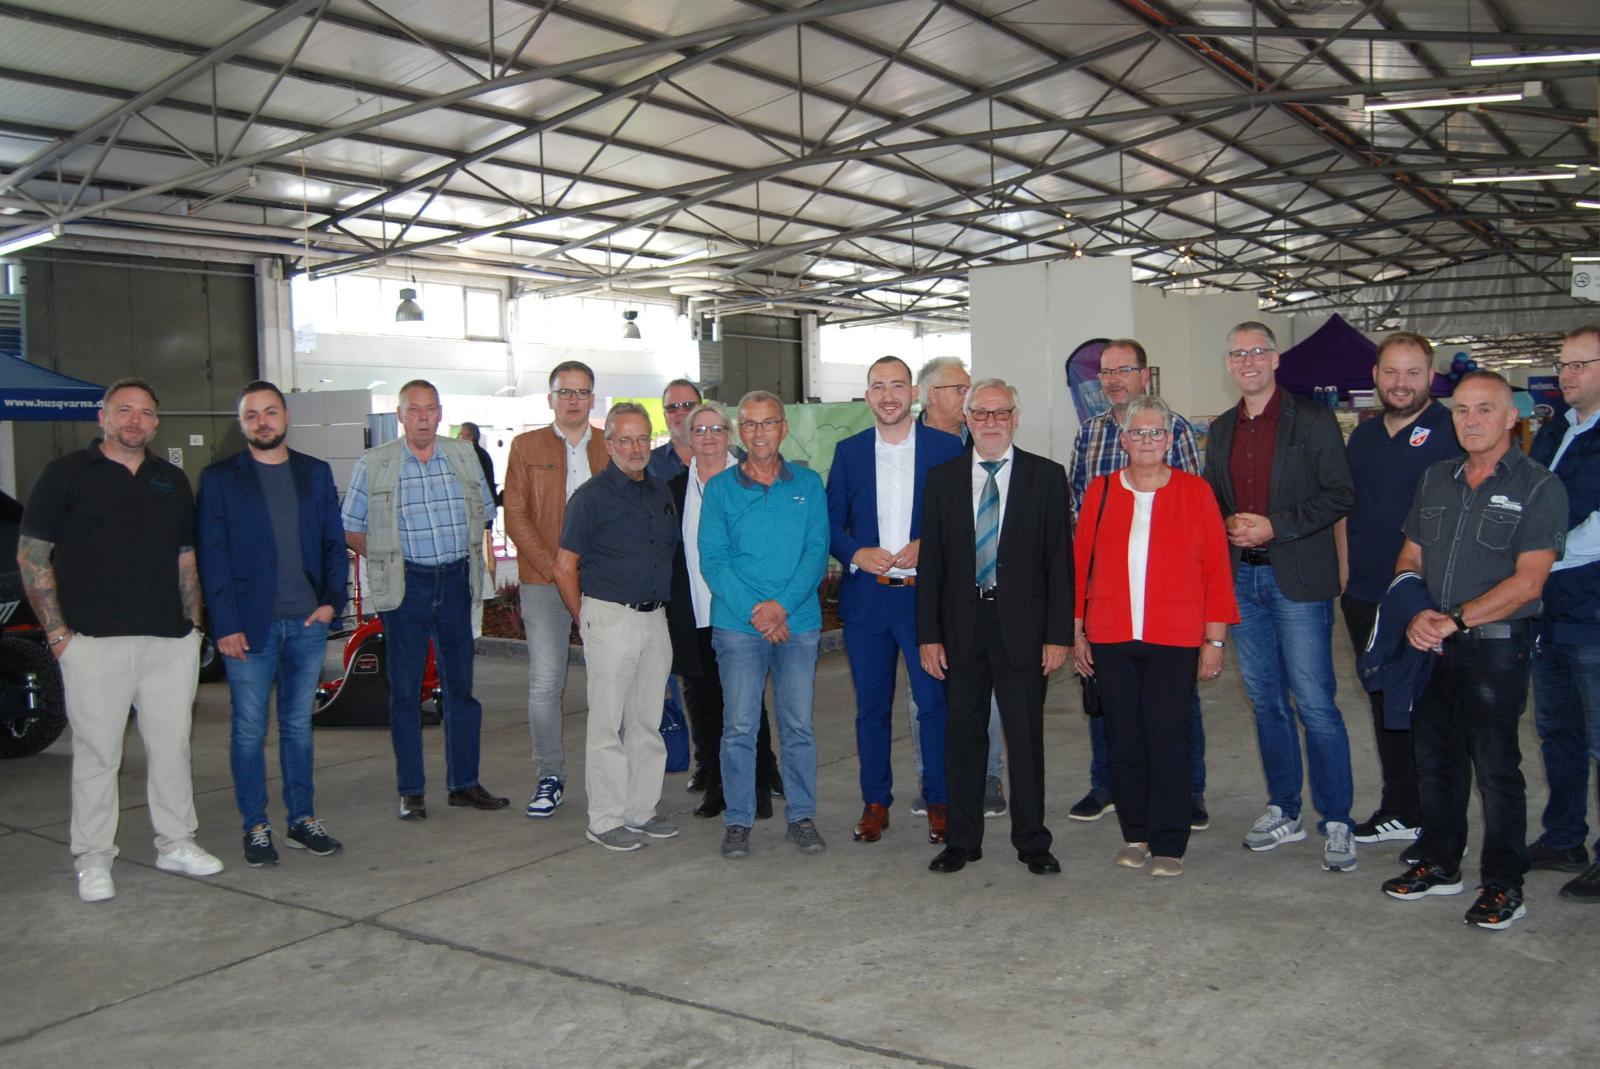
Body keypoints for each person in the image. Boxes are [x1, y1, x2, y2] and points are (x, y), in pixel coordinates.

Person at [18, 378, 223, 901]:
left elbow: (185, 557)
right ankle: (93, 859)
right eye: (125, 410)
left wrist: (193, 627)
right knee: (97, 755)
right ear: (103, 417)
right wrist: (58, 634)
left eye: (146, 413)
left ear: (156, 424)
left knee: (172, 748)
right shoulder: (65, 474)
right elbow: (32, 555)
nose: (135, 420)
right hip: (93, 643)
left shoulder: (170, 480)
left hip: (169, 643)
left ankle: (176, 842)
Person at [1380, 372, 1566, 931]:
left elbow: (1529, 583)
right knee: (1435, 762)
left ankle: (1504, 884)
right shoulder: (1436, 479)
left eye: (1485, 409)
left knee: (1496, 769)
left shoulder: (1539, 487)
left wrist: (1454, 619)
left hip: (1495, 650)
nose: (1471, 420)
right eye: (1461, 410)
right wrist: (1417, 612)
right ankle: (1440, 862)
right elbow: (1410, 557)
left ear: (1512, 417)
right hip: (1433, 646)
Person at [1202, 321, 1358, 872]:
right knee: (1266, 702)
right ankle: (1284, 809)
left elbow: (1340, 494)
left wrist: (1276, 526)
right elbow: (1213, 496)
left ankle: (1337, 819)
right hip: (1243, 582)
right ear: (1229, 365)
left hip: (1297, 579)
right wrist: (1227, 522)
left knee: (1314, 703)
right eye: (1238, 353)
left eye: (1257, 351)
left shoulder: (1312, 420)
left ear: (1275, 359)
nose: (1248, 361)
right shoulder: (1222, 428)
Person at [1072, 395, 1237, 878]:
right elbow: (1080, 565)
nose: (1147, 440)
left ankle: (1169, 841)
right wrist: (1077, 631)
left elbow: (1215, 570)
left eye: (1156, 432)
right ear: (1124, 441)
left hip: (1175, 637)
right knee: (1124, 739)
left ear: (1170, 440)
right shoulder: (1101, 491)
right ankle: (1135, 833)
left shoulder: (1196, 492)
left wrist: (1215, 641)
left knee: (1168, 739)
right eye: (1138, 432)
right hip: (1111, 634)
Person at [918, 379, 1071, 876]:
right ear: (966, 419)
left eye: (1000, 413)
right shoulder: (942, 480)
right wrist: (929, 635)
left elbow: (1059, 562)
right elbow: (932, 566)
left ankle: (1032, 841)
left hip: (1023, 629)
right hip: (961, 629)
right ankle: (962, 841)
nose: (990, 422)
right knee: (962, 738)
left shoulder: (1046, 477)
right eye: (981, 413)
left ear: (1015, 418)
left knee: (1024, 739)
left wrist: (1058, 635)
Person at [197, 381, 349, 866]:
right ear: (241, 424)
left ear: (286, 417)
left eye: (270, 412)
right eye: (252, 415)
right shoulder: (220, 479)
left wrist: (331, 603)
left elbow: (333, 542)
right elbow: (212, 558)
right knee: (248, 730)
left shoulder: (315, 473)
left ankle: (301, 820)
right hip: (248, 628)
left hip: (307, 623)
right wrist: (225, 624)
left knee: (298, 727)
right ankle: (256, 826)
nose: (262, 422)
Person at [342, 379, 506, 820]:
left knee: (461, 689)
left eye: (430, 409)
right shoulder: (374, 464)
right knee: (405, 691)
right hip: (406, 587)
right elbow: (351, 527)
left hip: (455, 582)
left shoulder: (463, 456)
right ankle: (411, 790)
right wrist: (387, 560)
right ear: (400, 415)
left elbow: (485, 513)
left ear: (440, 413)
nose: (423, 418)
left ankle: (464, 784)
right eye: (414, 410)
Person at [1067, 338, 1208, 828]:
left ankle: (1188, 791)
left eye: (1124, 370)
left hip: (1165, 595)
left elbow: (1193, 510)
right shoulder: (1090, 432)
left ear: (1145, 376)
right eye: (1106, 372)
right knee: (1105, 692)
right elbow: (1076, 505)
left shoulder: (1176, 429)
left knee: (1176, 701)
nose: (1113, 380)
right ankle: (1107, 784)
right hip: (1108, 593)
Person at [828, 356, 964, 845]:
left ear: (914, 394)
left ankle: (940, 801)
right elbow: (830, 524)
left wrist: (931, 544)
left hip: (925, 602)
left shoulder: (946, 448)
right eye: (879, 387)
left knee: (934, 706)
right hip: (868, 602)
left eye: (897, 385)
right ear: (868, 396)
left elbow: (963, 520)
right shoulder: (849, 453)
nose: (888, 395)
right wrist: (856, 553)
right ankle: (875, 802)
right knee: (872, 710)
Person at [1335, 332, 1460, 849]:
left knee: (1430, 710)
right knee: (1383, 701)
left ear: (1430, 376)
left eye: (1412, 372)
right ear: (1375, 376)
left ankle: (1438, 820)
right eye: (1391, 372)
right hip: (1366, 594)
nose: (1401, 383)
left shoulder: (1452, 432)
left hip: (1423, 599)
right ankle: (1401, 807)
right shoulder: (1364, 437)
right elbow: (1346, 508)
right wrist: (1345, 574)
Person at [698, 391, 830, 859]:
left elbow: (816, 552)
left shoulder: (809, 484)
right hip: (738, 627)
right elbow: (714, 560)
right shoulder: (720, 489)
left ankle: (802, 816)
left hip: (798, 624)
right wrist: (759, 611)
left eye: (768, 423)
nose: (759, 432)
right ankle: (738, 820)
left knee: (798, 726)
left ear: (783, 429)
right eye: (750, 424)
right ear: (740, 431)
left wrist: (782, 608)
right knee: (738, 726)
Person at [554, 403, 680, 852]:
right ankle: (605, 820)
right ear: (608, 445)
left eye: (642, 438)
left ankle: (640, 811)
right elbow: (563, 567)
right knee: (607, 726)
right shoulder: (590, 498)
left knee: (647, 721)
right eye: (625, 440)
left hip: (654, 620)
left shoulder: (660, 490)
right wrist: (587, 621)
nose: (635, 448)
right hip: (610, 616)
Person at [665, 401, 782, 820]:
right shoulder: (674, 489)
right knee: (704, 704)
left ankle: (758, 783)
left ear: (730, 435)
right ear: (687, 438)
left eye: (716, 429)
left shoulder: (748, 480)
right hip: (695, 610)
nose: (708, 437)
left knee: (746, 704)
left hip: (741, 610)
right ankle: (716, 785)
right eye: (700, 430)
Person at [503, 361, 608, 819]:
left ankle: (613, 775)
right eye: (565, 392)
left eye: (582, 392)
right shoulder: (526, 447)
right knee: (547, 682)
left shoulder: (610, 446)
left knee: (611, 680)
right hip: (544, 581)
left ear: (592, 399)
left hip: (602, 583)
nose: (573, 400)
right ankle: (550, 775)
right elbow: (515, 515)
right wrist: (554, 568)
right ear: (550, 399)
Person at [913, 356, 1006, 817]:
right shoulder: (907, 445)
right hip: (924, 586)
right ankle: (933, 780)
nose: (969, 396)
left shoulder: (983, 443)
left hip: (984, 593)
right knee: (924, 694)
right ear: (932, 395)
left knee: (987, 694)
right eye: (960, 388)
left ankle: (989, 777)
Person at [1527, 324, 1600, 901]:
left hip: (1591, 613)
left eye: (1580, 364)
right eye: (1563, 365)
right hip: (1548, 611)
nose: (1566, 375)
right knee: (1558, 732)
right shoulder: (1553, 431)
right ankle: (1564, 837)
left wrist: (1537, 559)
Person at [647, 378, 702, 480]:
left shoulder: (727, 458)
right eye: (672, 407)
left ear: (701, 410)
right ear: (665, 416)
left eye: (688, 406)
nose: (680, 412)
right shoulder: (648, 465)